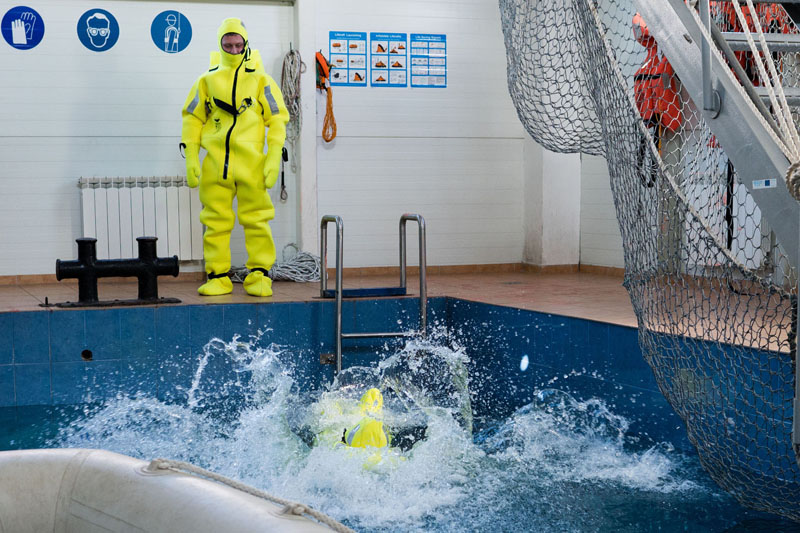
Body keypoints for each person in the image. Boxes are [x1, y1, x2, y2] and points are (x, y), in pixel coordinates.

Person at [181, 18, 289, 296]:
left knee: (257, 220)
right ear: (220, 44)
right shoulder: (206, 81)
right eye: (227, 45)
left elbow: (277, 118)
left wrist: (274, 155)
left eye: (238, 44)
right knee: (215, 221)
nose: (233, 49)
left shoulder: (261, 79)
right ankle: (218, 276)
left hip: (252, 164)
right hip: (216, 165)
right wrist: (191, 156)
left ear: (245, 44)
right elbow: (192, 118)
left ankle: (259, 275)